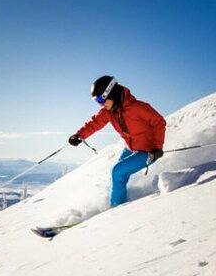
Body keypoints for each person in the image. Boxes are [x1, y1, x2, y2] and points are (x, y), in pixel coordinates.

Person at [69, 76, 166, 207]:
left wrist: (157, 148)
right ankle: (118, 201)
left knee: (117, 171)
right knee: (116, 175)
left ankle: (116, 209)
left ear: (111, 93)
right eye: (96, 101)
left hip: (148, 152)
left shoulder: (138, 107)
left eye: (100, 99)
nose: (100, 104)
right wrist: (79, 135)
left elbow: (159, 122)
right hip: (130, 148)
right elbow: (95, 123)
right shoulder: (109, 111)